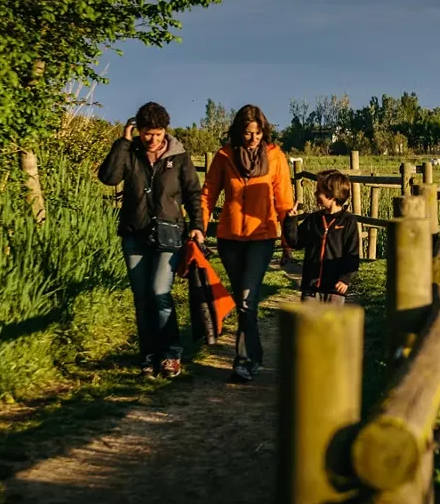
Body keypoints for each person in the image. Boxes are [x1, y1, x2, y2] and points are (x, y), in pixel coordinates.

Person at [97, 102, 203, 378]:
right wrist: (123, 141)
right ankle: (148, 357)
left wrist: (197, 226)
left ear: (165, 131)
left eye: (157, 134)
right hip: (135, 234)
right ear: (138, 131)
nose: (152, 140)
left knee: (159, 291)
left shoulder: (179, 157)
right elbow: (108, 177)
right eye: (147, 133)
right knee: (142, 299)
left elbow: (193, 192)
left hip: (169, 234)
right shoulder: (130, 152)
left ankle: (170, 354)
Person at [200, 104, 294, 383]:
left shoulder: (275, 157)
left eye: (257, 133)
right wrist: (199, 228)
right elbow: (208, 195)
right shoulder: (224, 156)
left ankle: (243, 361)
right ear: (238, 132)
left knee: (246, 299)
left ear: (264, 132)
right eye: (248, 133)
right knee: (243, 301)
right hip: (229, 239)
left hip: (261, 238)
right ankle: (254, 355)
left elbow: (284, 201)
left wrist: (287, 242)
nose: (253, 138)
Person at [283, 169, 360, 304]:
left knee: (332, 318)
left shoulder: (348, 221)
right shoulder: (313, 219)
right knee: (307, 318)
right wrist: (290, 221)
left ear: (331, 194)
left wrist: (345, 278)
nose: (315, 193)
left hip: (335, 288)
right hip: (310, 287)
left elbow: (352, 253)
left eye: (319, 190)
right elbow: (296, 242)